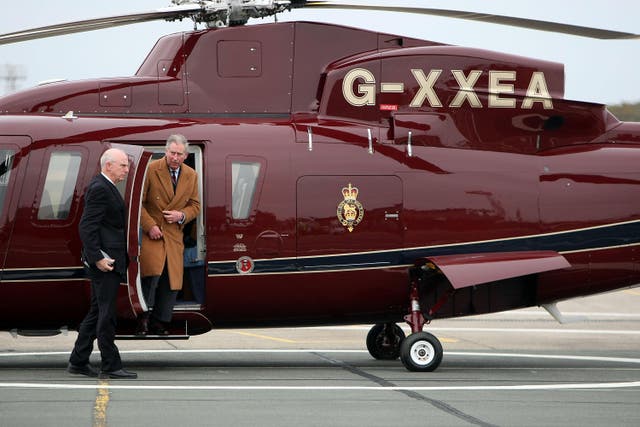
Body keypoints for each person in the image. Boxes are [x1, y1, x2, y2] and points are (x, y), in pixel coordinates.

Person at [68, 148, 137, 379]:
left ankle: (78, 360)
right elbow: (86, 227)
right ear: (108, 165)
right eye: (123, 165)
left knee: (97, 312)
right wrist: (97, 257)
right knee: (107, 314)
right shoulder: (100, 188)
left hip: (107, 262)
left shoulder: (105, 186)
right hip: (105, 264)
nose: (127, 170)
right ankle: (111, 364)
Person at [137, 134, 201, 335]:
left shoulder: (191, 174)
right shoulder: (151, 169)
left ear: (185, 155)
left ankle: (159, 321)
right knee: (151, 278)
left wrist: (181, 215)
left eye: (179, 154)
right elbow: (138, 203)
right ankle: (142, 321)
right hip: (153, 235)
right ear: (165, 152)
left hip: (174, 236)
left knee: (171, 282)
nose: (175, 157)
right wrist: (150, 226)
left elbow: (195, 206)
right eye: (172, 153)